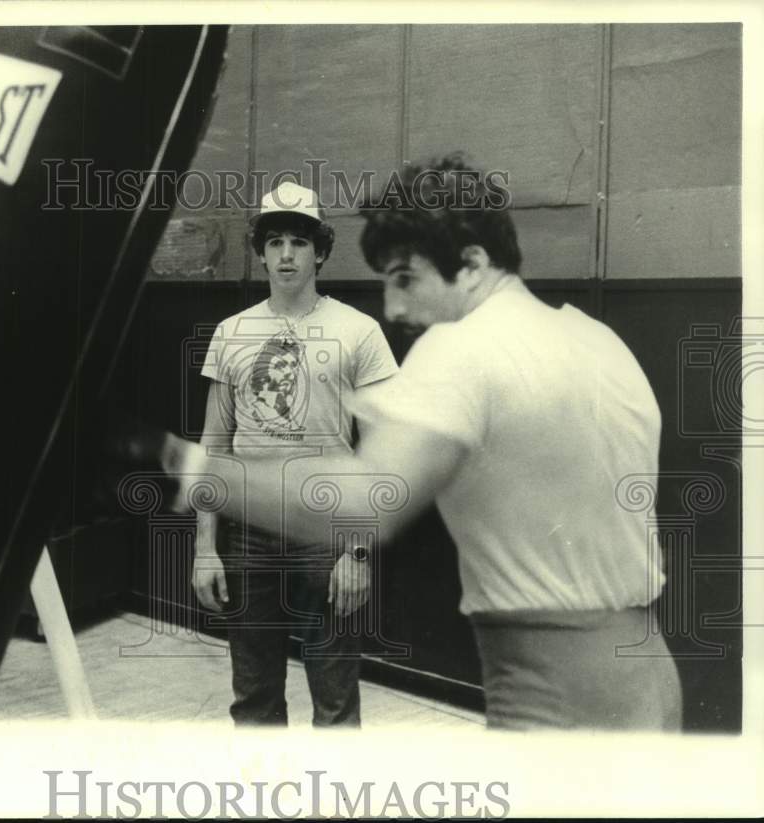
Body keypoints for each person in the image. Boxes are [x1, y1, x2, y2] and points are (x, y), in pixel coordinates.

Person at [167, 154, 682, 731]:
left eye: (405, 278)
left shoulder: (461, 348)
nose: (394, 307)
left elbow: (367, 499)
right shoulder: (596, 338)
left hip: (551, 689)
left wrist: (174, 462)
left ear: (471, 263)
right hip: (648, 672)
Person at [192, 180, 399, 727]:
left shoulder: (360, 331)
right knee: (254, 699)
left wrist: (357, 556)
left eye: (300, 242)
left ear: (321, 251)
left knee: (334, 701)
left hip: (325, 534)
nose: (286, 254)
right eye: (275, 241)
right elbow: (213, 447)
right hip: (250, 534)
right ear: (260, 252)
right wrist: (204, 549)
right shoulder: (231, 333)